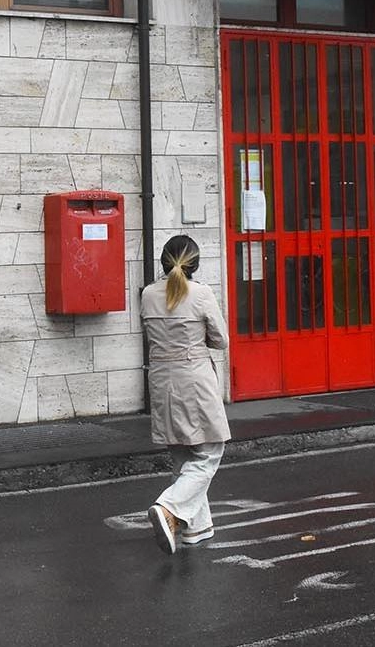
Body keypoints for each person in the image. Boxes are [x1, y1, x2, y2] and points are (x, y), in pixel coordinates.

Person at [141, 234, 230, 555]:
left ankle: (197, 527)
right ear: (195, 263)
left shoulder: (148, 294)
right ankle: (169, 508)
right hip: (194, 380)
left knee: (182, 455)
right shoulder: (202, 293)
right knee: (209, 453)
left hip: (162, 381)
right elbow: (221, 340)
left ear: (164, 261)